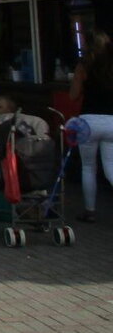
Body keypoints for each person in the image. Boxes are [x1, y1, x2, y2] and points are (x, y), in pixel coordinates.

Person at [70, 29, 113, 223]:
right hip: (111, 120)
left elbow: (73, 95)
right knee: (110, 167)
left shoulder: (83, 67)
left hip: (89, 121)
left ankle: (90, 210)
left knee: (88, 167)